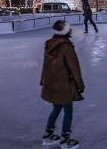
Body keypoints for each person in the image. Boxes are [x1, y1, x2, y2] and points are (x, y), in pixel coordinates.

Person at [41, 20, 84, 148]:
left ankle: (48, 136)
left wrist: (43, 81)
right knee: (68, 110)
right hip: (63, 85)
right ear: (66, 31)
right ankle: (65, 140)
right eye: (69, 28)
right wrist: (80, 85)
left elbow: (45, 66)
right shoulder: (66, 47)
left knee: (57, 108)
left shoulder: (49, 43)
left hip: (51, 83)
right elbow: (74, 68)